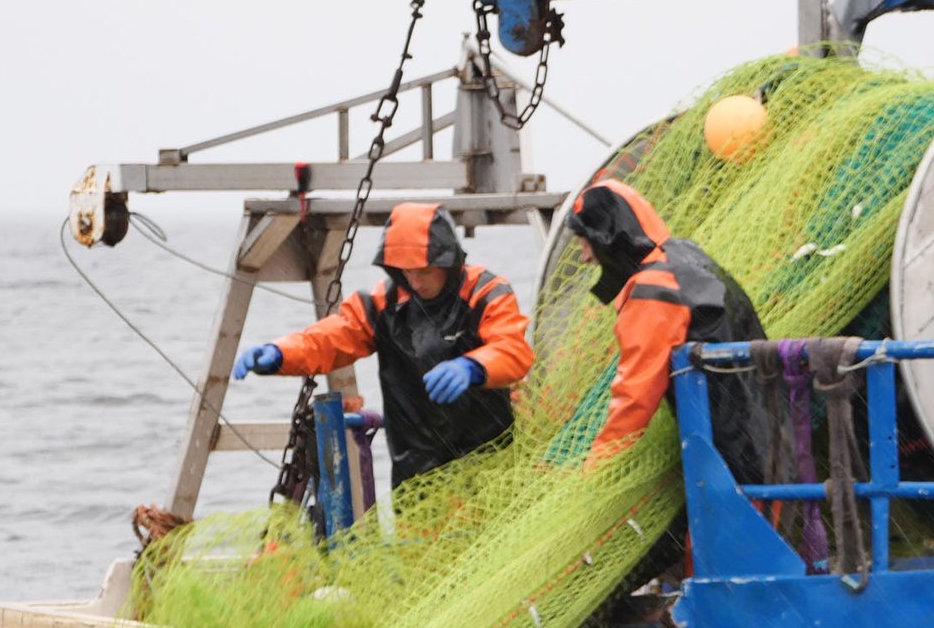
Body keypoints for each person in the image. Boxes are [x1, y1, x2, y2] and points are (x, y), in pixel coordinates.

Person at [232, 202, 534, 486]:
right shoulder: (384, 303)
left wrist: (473, 367)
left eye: (425, 271)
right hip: (415, 469)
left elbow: (512, 349)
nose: (415, 282)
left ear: (449, 262)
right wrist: (280, 353)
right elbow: (332, 337)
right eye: (406, 271)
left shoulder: (485, 292)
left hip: (490, 460)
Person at [565, 179, 766, 477]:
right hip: (769, 432)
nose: (584, 257)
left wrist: (594, 471)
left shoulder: (655, 289)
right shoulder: (686, 256)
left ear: (608, 237)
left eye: (586, 242)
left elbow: (635, 397)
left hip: (737, 459)